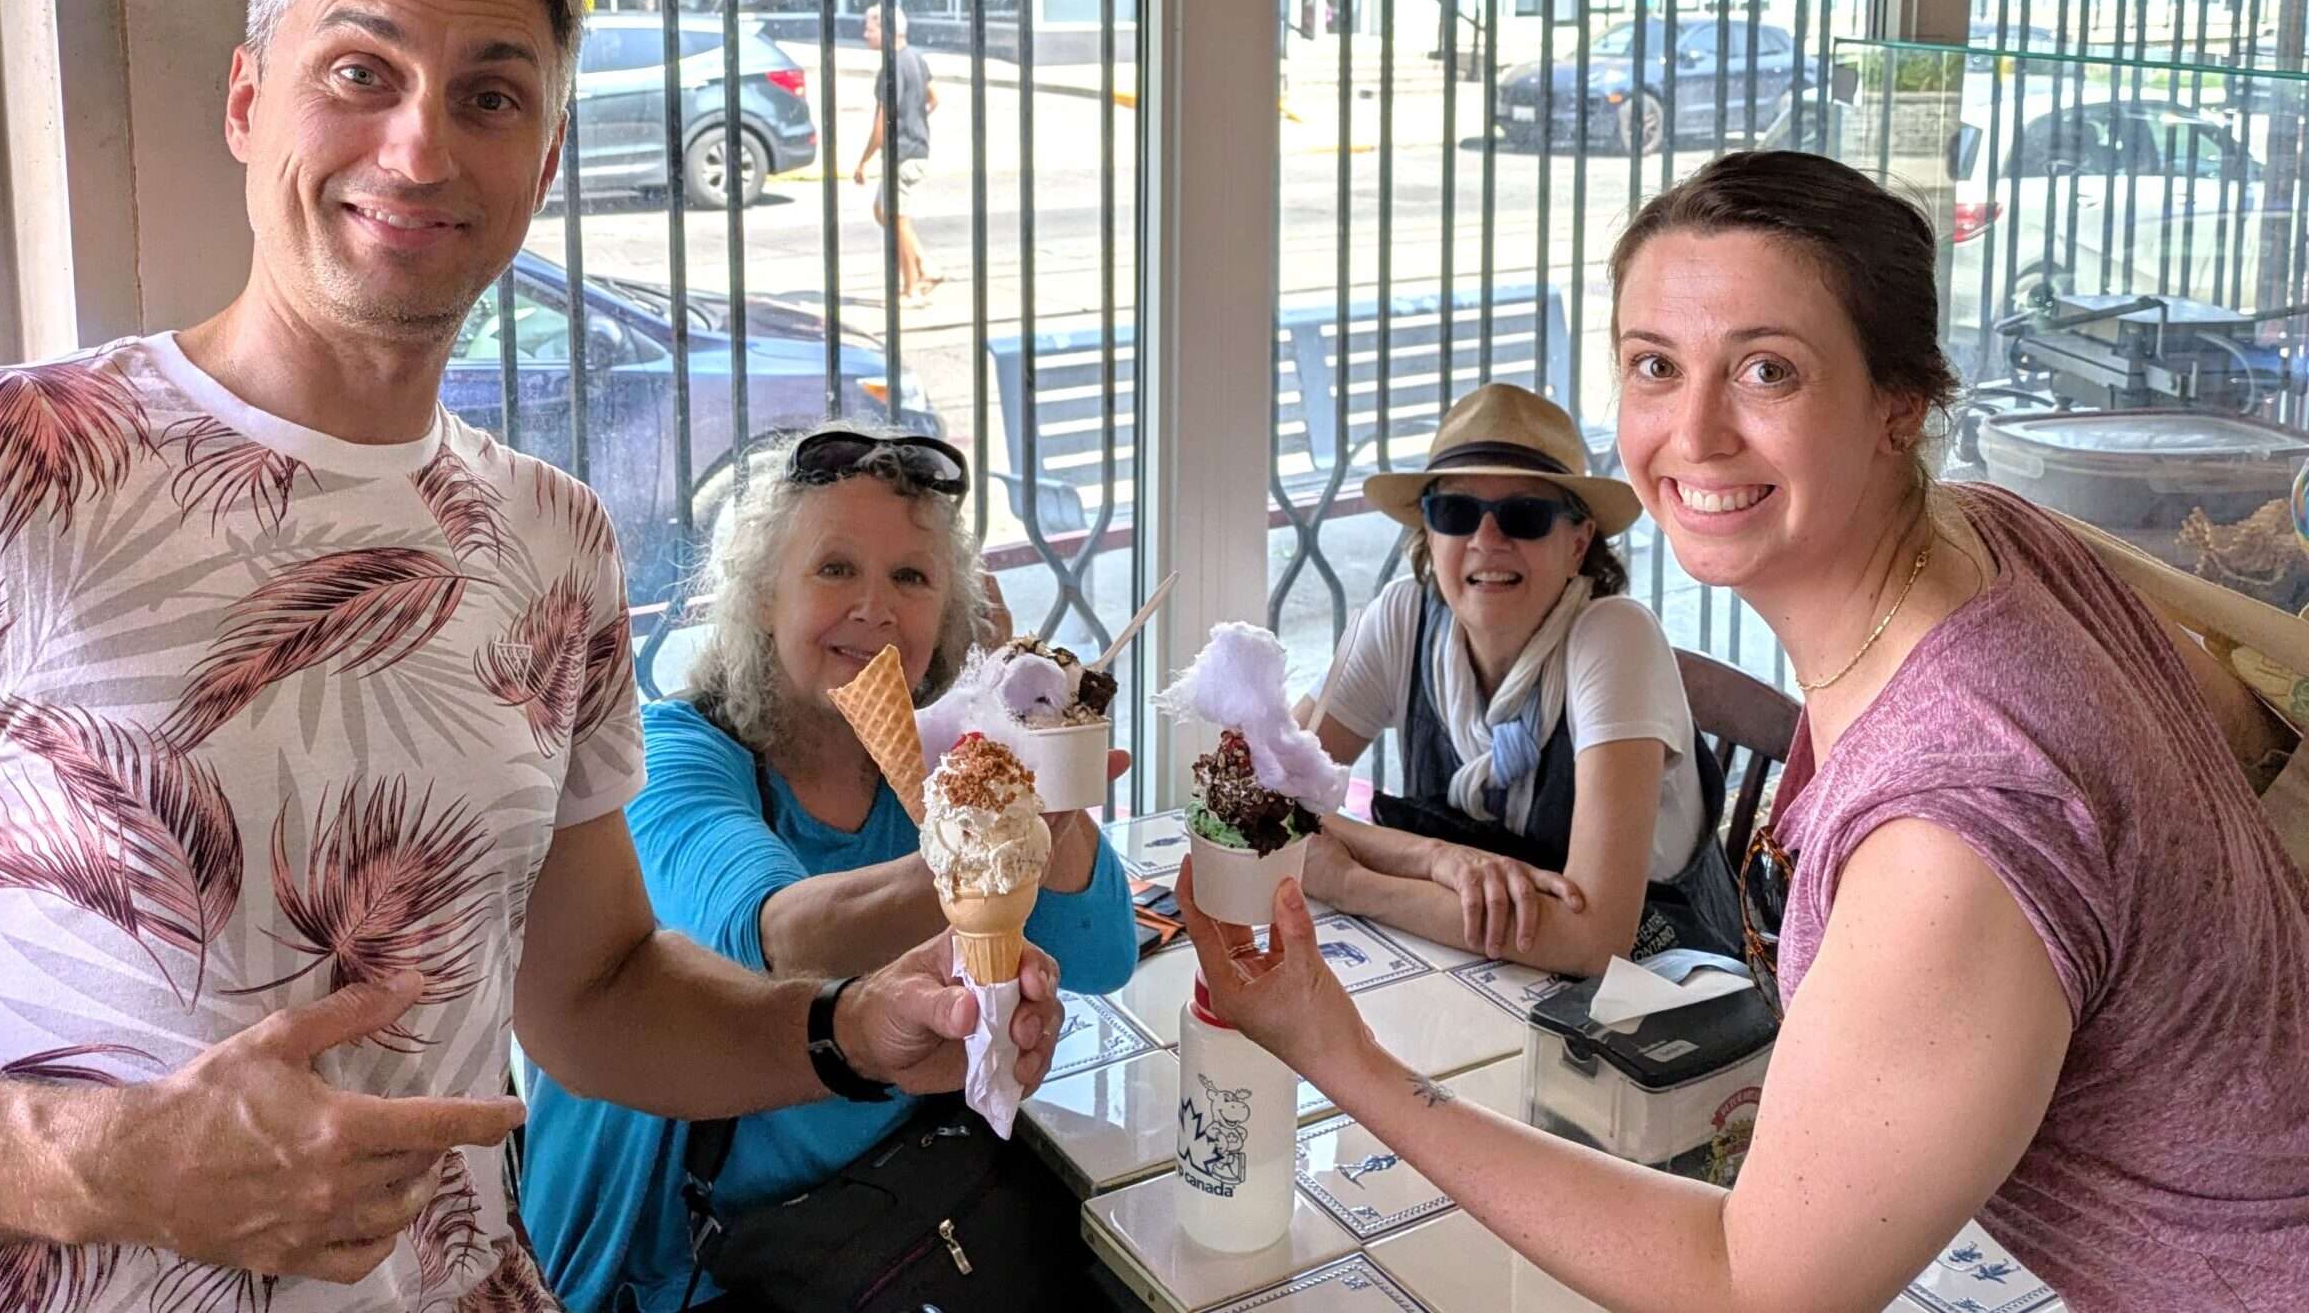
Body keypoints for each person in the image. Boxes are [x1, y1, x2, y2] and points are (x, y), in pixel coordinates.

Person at [0, 0, 1064, 1311]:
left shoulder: (552, 542)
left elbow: (599, 991)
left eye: (490, 97)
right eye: (361, 73)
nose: (420, 148)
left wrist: (846, 1031)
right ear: (250, 104)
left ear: (545, 164)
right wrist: (99, 1157)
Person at [1178, 150, 2309, 1313]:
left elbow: (1749, 1287)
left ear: (1898, 402)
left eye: (1767, 369)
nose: (1695, 432)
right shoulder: (1990, 536)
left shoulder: (1955, 819)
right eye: (1653, 366)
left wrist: (1337, 1054)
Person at [518, 426, 1138, 1311]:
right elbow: (773, 935)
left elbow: (1105, 952)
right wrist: (996, 844)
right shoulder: (676, 754)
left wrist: (1024, 740)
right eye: (836, 569)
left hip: (882, 1222)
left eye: (914, 579)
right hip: (675, 1271)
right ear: (763, 598)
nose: (876, 609)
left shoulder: (938, 763)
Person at [1299, 383, 1742, 975]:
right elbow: (1257, 802)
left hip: (1661, 998)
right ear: (1428, 531)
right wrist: (1435, 860)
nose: (1486, 540)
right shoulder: (1403, 620)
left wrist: (1354, 881)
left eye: (1524, 516)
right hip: (1483, 975)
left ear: (1579, 542)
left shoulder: (1615, 640)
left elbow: (1593, 939)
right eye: (1454, 512)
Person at [851, 5, 940, 305]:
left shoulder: (890, 68)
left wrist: (863, 160)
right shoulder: (916, 59)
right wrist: (916, 119)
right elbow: (933, 97)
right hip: (918, 149)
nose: (865, 34)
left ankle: (912, 288)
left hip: (901, 154)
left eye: (870, 29)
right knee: (884, 212)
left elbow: (881, 122)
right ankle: (925, 263)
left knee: (896, 218)